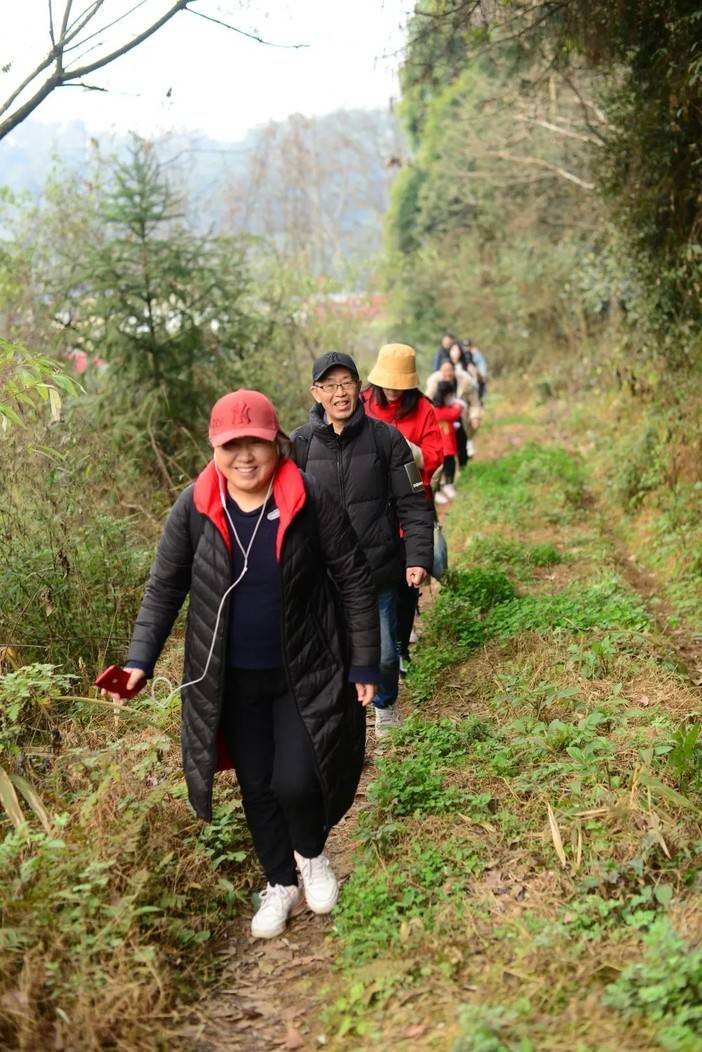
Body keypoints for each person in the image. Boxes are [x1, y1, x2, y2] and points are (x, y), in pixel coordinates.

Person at [103, 389, 380, 940]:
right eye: (232, 445)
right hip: (227, 679)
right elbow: (165, 587)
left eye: (256, 442)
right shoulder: (195, 506)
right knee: (256, 786)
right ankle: (279, 881)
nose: (245, 456)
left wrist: (365, 662)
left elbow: (352, 577)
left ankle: (311, 854)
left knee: (296, 780)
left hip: (304, 669)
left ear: (277, 442)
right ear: (215, 448)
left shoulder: (309, 495)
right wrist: (139, 660)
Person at [290, 351, 434, 738]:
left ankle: (385, 708)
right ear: (315, 393)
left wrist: (418, 556)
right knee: (330, 654)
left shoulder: (387, 439)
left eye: (346, 383)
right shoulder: (299, 445)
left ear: (359, 388)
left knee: (384, 652)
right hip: (323, 576)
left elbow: (412, 502)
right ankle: (341, 725)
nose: (340, 393)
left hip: (377, 569)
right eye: (330, 386)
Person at [364, 343, 443, 675]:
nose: (393, 390)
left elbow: (435, 456)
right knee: (379, 580)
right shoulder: (363, 404)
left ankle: (400, 647)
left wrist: (401, 447)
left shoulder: (423, 410)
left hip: (410, 503)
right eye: (388, 383)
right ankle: (380, 649)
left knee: (407, 580)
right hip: (371, 506)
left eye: (400, 383)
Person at [426, 359, 482, 462]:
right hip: (443, 419)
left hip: (461, 416)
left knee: (461, 441)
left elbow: (475, 402)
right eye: (445, 371)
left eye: (450, 370)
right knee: (446, 447)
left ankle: (463, 464)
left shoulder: (465, 381)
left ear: (454, 370)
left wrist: (475, 417)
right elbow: (427, 401)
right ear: (440, 371)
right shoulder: (434, 382)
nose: (448, 374)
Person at [432, 380, 464, 504]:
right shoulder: (438, 409)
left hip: (448, 443)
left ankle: (448, 485)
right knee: (440, 469)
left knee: (450, 465)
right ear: (445, 395)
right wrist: (458, 404)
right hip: (443, 446)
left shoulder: (441, 408)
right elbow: (453, 414)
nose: (451, 398)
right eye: (450, 395)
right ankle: (437, 491)